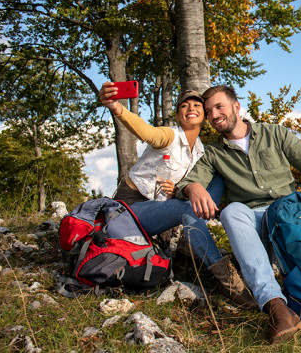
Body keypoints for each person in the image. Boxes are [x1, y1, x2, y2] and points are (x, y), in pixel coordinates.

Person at [175, 85, 301, 345]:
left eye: (219, 107)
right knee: (232, 212)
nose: (214, 115)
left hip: (293, 214)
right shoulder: (214, 152)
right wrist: (192, 186)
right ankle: (276, 306)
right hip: (257, 222)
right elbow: (187, 182)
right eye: (208, 112)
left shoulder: (274, 133)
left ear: (236, 107)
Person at [98, 82, 256, 308]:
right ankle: (229, 281)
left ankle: (194, 237)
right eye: (184, 105)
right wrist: (117, 108)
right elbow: (147, 132)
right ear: (178, 114)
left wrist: (180, 190)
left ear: (205, 116)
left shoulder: (201, 150)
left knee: (218, 176)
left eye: (196, 105)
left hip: (159, 210)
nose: (191, 108)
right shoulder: (169, 136)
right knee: (187, 209)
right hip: (129, 212)